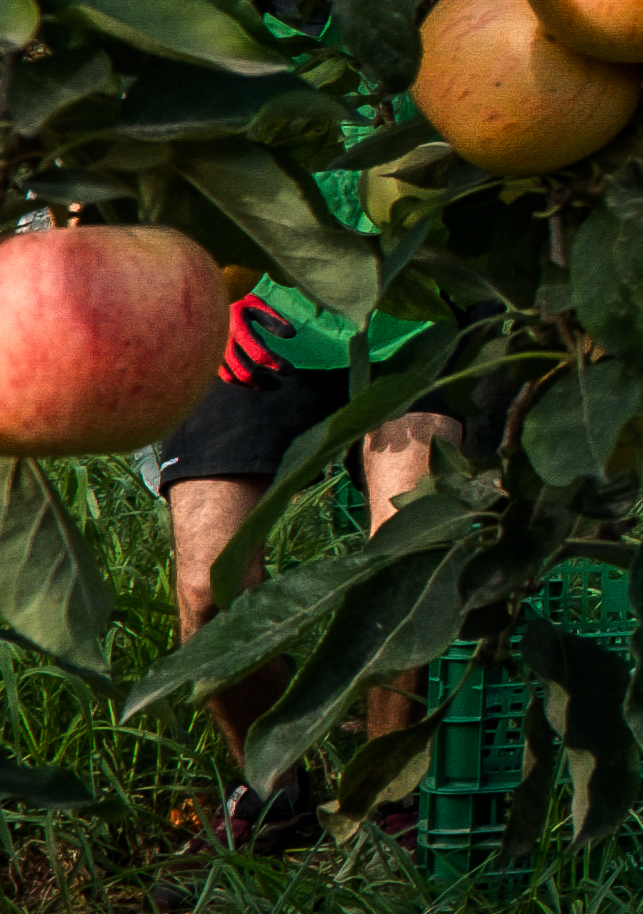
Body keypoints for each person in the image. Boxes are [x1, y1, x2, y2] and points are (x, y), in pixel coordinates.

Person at [151, 208, 449, 852]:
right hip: (260, 317)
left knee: (406, 550)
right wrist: (200, 295)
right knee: (208, 584)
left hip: (426, 318)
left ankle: (384, 803)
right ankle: (275, 792)